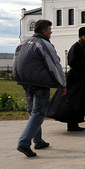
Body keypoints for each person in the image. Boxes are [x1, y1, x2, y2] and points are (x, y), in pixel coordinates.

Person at [13, 19, 67, 158]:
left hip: (25, 81)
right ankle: (24, 142)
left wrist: (19, 78)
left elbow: (15, 62)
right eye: (50, 30)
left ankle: (38, 141)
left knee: (32, 111)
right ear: (44, 31)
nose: (51, 32)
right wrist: (62, 84)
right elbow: (54, 65)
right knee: (39, 112)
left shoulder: (23, 43)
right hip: (40, 83)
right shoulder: (44, 44)